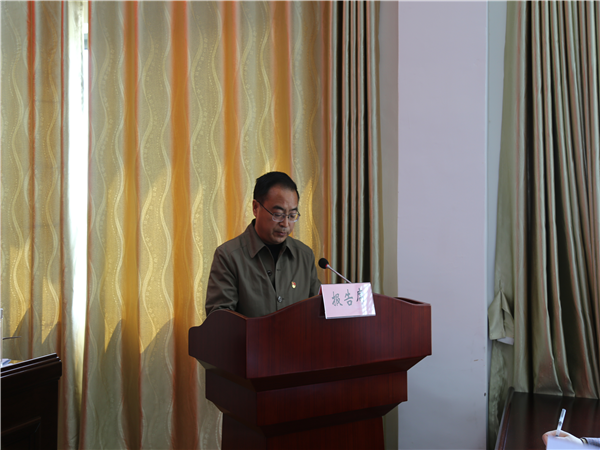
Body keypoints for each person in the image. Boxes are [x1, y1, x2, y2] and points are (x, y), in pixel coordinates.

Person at [205, 171, 321, 317]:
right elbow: (220, 319)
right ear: (255, 208)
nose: (285, 224)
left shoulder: (304, 255)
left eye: (292, 215)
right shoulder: (228, 256)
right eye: (278, 214)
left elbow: (318, 311)